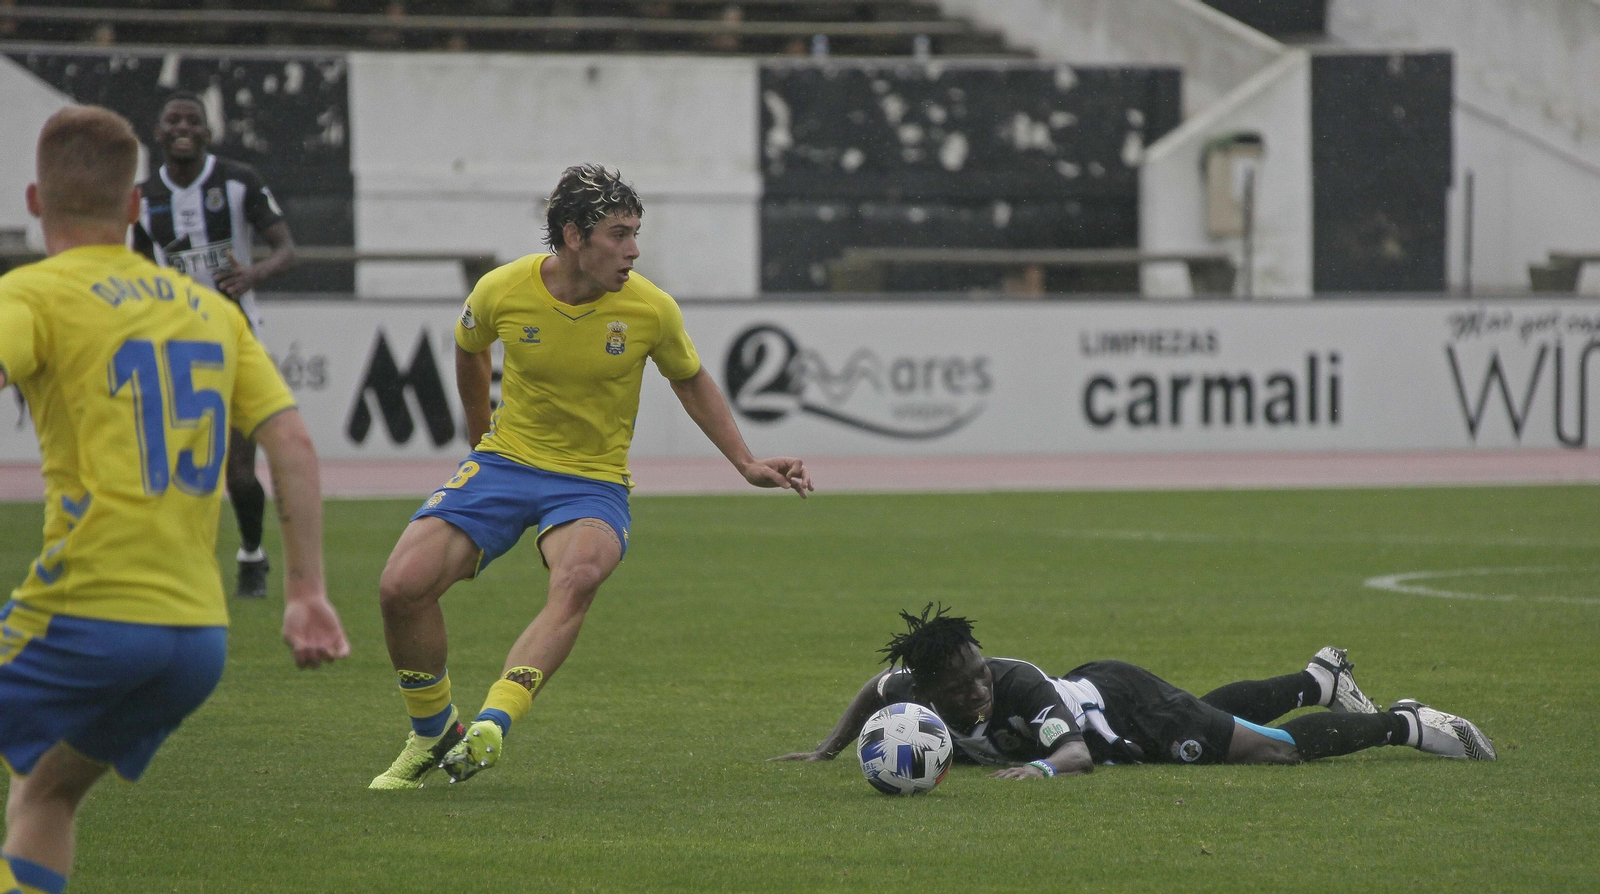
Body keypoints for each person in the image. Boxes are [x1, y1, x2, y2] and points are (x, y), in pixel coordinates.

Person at [368, 164, 813, 790]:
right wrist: (478, 439)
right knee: (399, 587)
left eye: (636, 233)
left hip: (592, 481)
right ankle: (433, 731)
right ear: (574, 237)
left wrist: (745, 462)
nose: (633, 250)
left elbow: (689, 378)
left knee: (577, 577)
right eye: (618, 234)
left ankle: (495, 720)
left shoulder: (650, 308)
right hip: (505, 464)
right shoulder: (502, 289)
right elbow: (471, 348)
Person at [0, 106, 349, 894]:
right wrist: (306, 593)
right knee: (45, 791)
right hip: (195, 641)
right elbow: (290, 445)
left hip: (86, 607)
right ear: (133, 207)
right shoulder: (211, 310)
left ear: (32, 201)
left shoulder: (33, 293)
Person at [774, 605, 1495, 777]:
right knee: (1214, 712)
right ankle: (1319, 680)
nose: (980, 687)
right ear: (930, 688)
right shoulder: (915, 690)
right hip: (1108, 692)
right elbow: (874, 689)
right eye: (964, 684)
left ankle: (1403, 723)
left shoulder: (1018, 686)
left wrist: (1040, 768)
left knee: (1267, 753)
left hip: (1124, 708)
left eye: (982, 671)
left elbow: (1081, 754)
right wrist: (828, 748)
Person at [131, 90, 299, 600]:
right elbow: (137, 266)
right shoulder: (141, 197)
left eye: (192, 120)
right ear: (158, 133)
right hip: (172, 343)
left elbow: (286, 248)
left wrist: (252, 274)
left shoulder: (237, 181)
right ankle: (179, 565)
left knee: (240, 471)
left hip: (236, 339)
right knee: (174, 466)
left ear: (207, 132)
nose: (183, 126)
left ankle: (252, 555)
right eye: (173, 119)